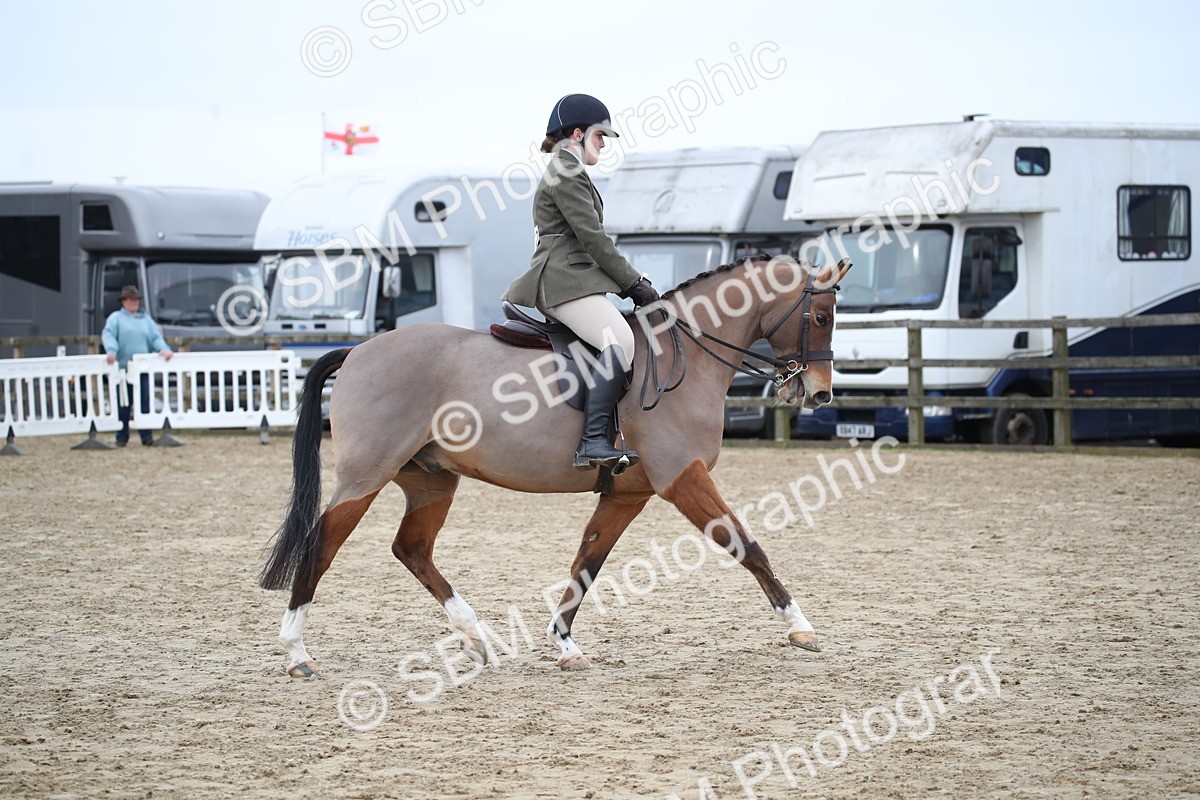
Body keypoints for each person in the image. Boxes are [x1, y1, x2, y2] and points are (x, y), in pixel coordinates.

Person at [503, 93, 661, 471]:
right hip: (562, 281)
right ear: (577, 134)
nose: (604, 145)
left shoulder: (568, 170)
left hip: (571, 278)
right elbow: (593, 238)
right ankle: (592, 442)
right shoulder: (566, 171)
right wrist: (633, 283)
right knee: (619, 340)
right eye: (600, 136)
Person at [102, 285, 173, 446]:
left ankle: (146, 436)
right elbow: (109, 335)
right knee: (123, 404)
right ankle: (121, 437)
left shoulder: (146, 320)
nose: (133, 302)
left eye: (135, 299)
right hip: (123, 369)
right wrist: (111, 351)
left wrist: (164, 349)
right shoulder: (115, 318)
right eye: (130, 299)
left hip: (142, 369)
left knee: (144, 403)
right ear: (124, 301)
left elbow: (155, 338)